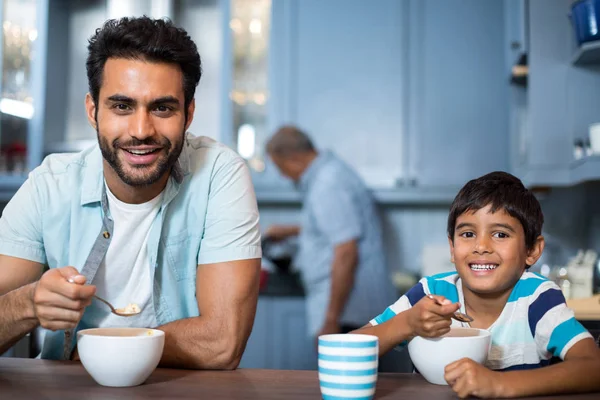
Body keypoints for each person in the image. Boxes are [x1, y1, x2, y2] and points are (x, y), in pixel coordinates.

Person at [0, 17, 261, 370]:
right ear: (94, 111)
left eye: (162, 108)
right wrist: (29, 304)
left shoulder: (219, 174)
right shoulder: (50, 185)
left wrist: (93, 351)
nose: (141, 131)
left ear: (188, 113)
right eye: (122, 106)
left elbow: (222, 342)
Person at [354, 171, 600, 398]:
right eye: (468, 234)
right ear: (452, 248)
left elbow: (593, 367)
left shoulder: (538, 299)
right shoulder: (431, 291)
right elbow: (351, 348)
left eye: (500, 234)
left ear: (532, 250)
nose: (481, 246)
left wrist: (499, 384)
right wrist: (406, 323)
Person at [264, 126, 398, 350]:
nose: (282, 175)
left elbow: (346, 251)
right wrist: (289, 230)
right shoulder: (330, 174)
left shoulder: (328, 184)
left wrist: (330, 320)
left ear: (294, 158)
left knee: (347, 381)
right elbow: (332, 227)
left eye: (280, 166)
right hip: (352, 308)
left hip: (350, 310)